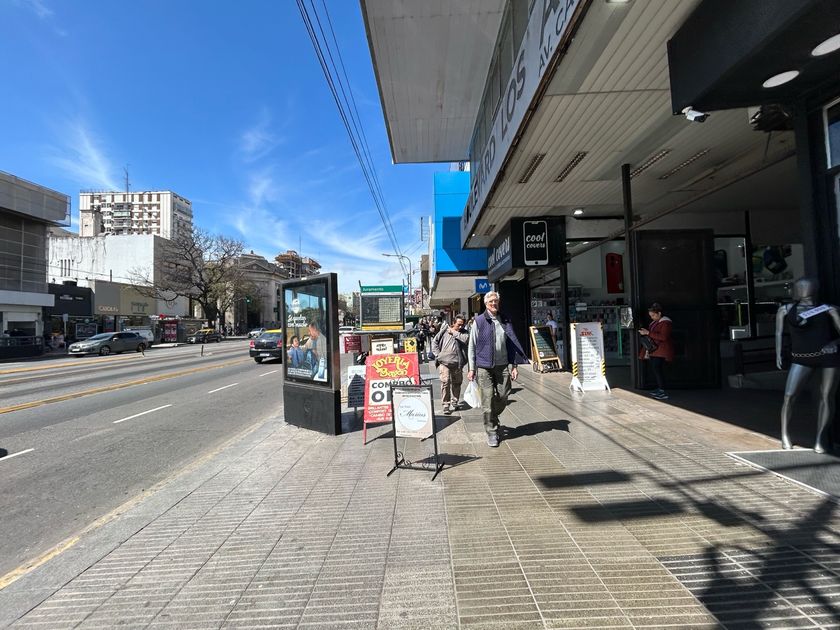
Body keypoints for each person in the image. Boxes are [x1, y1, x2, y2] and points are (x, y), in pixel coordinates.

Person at [775, 277, 840, 453]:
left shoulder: (828, 309)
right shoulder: (785, 309)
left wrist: (834, 342)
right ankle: (785, 434)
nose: (802, 290)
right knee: (789, 396)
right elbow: (779, 333)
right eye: (800, 287)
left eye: (805, 287)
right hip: (801, 358)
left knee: (827, 397)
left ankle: (820, 439)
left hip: (828, 357)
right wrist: (778, 353)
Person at [467, 291, 528, 447]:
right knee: (487, 400)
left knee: (504, 395)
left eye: (496, 301)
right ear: (486, 304)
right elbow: (472, 346)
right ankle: (492, 432)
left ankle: (492, 416)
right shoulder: (479, 321)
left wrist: (514, 365)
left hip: (502, 365)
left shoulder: (505, 320)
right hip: (483, 366)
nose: (494, 304)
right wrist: (471, 368)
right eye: (491, 301)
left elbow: (512, 343)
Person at [432, 313, 469, 415]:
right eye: (458, 324)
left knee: (457, 383)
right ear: (453, 322)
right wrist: (438, 355)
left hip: (457, 363)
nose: (460, 327)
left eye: (462, 325)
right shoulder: (444, 330)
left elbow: (465, 340)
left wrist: (454, 332)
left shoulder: (464, 333)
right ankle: (446, 405)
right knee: (445, 382)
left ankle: (455, 401)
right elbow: (435, 342)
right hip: (444, 362)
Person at [638, 302, 674, 400]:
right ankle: (660, 388)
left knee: (658, 370)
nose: (652, 317)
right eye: (651, 316)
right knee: (656, 370)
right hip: (656, 350)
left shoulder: (666, 323)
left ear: (659, 313)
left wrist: (648, 333)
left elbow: (663, 337)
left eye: (653, 315)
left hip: (661, 350)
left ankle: (662, 390)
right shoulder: (655, 322)